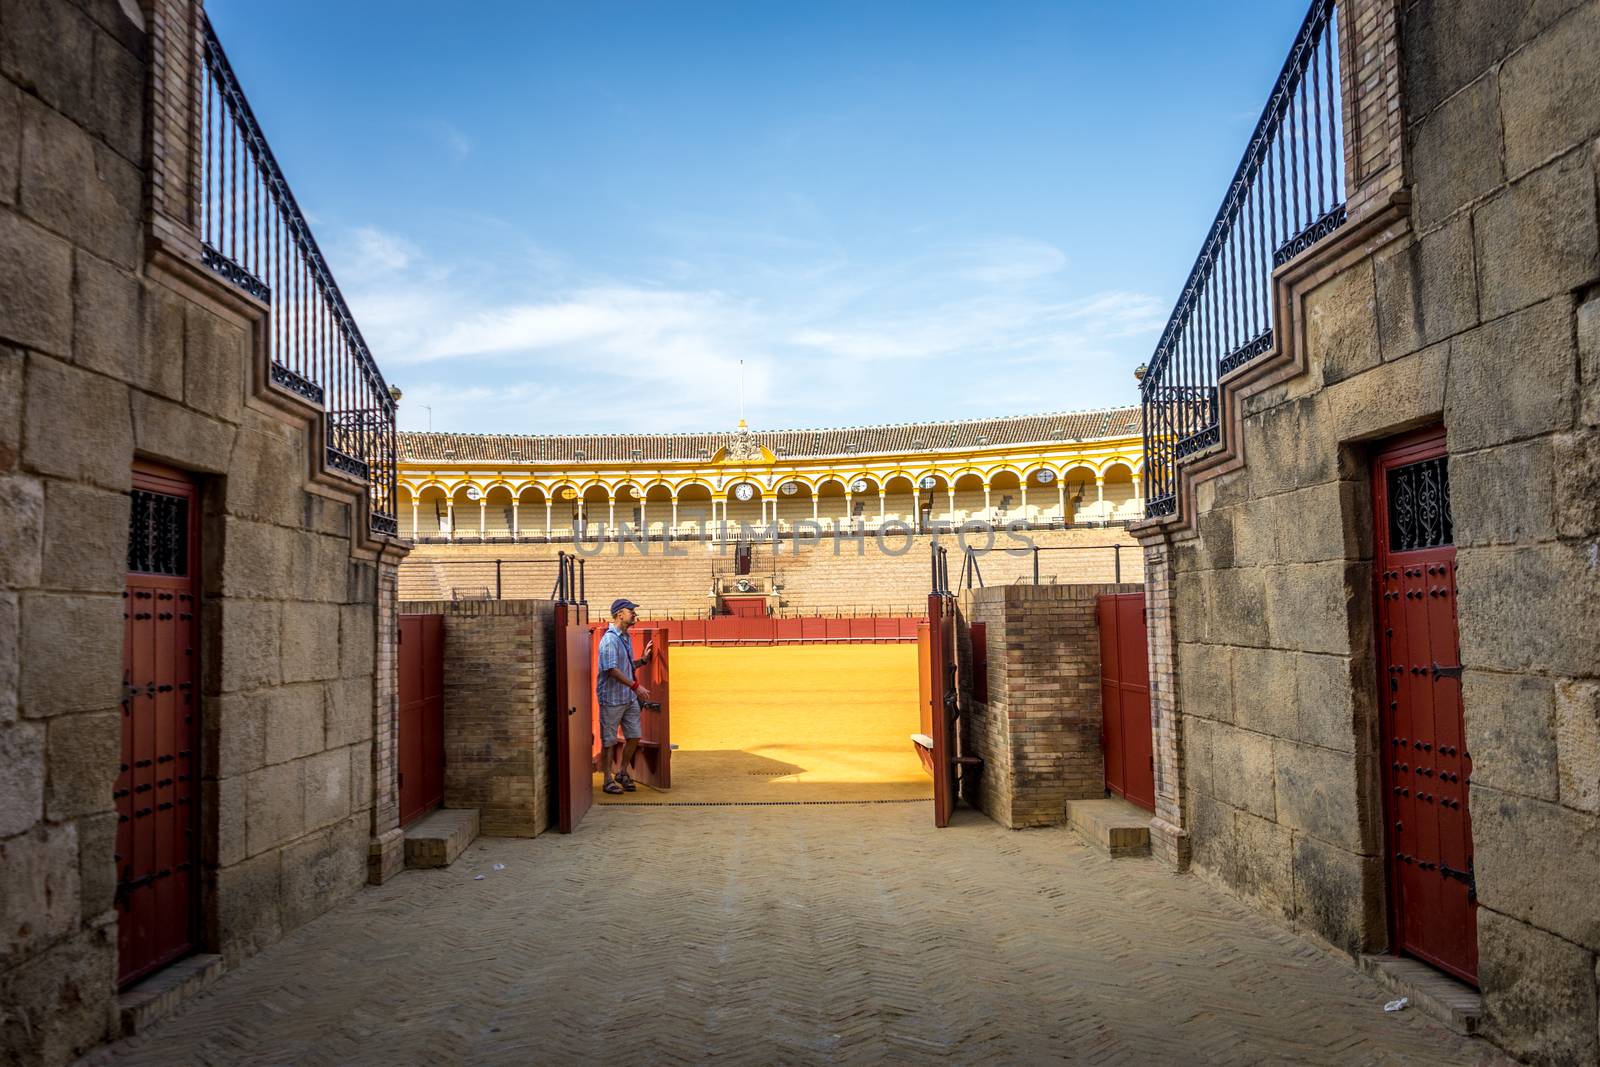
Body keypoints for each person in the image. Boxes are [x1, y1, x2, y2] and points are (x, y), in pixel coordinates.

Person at [596, 597, 653, 794]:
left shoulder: (625, 637)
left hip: (627, 698)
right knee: (609, 740)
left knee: (634, 736)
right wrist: (636, 686)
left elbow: (625, 667)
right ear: (620, 614)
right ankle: (606, 780)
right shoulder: (610, 640)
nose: (635, 614)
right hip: (612, 699)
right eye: (631, 611)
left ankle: (621, 772)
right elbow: (611, 670)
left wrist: (643, 661)